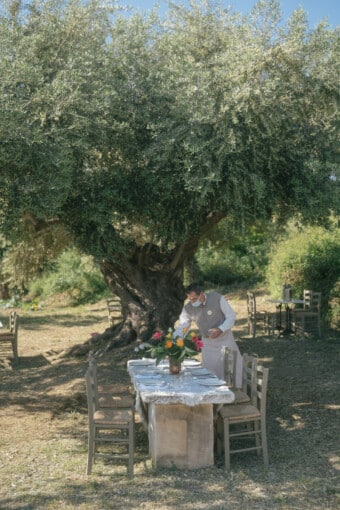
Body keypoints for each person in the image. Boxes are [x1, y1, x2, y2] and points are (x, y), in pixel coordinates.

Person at [173, 283, 242, 388]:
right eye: (190, 299)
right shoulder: (188, 308)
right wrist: (175, 340)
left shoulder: (217, 298)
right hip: (208, 343)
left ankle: (237, 390)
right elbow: (184, 326)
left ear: (201, 294)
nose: (192, 302)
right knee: (210, 371)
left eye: (194, 299)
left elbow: (231, 316)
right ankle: (214, 394)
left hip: (225, 339)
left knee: (231, 367)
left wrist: (220, 329)